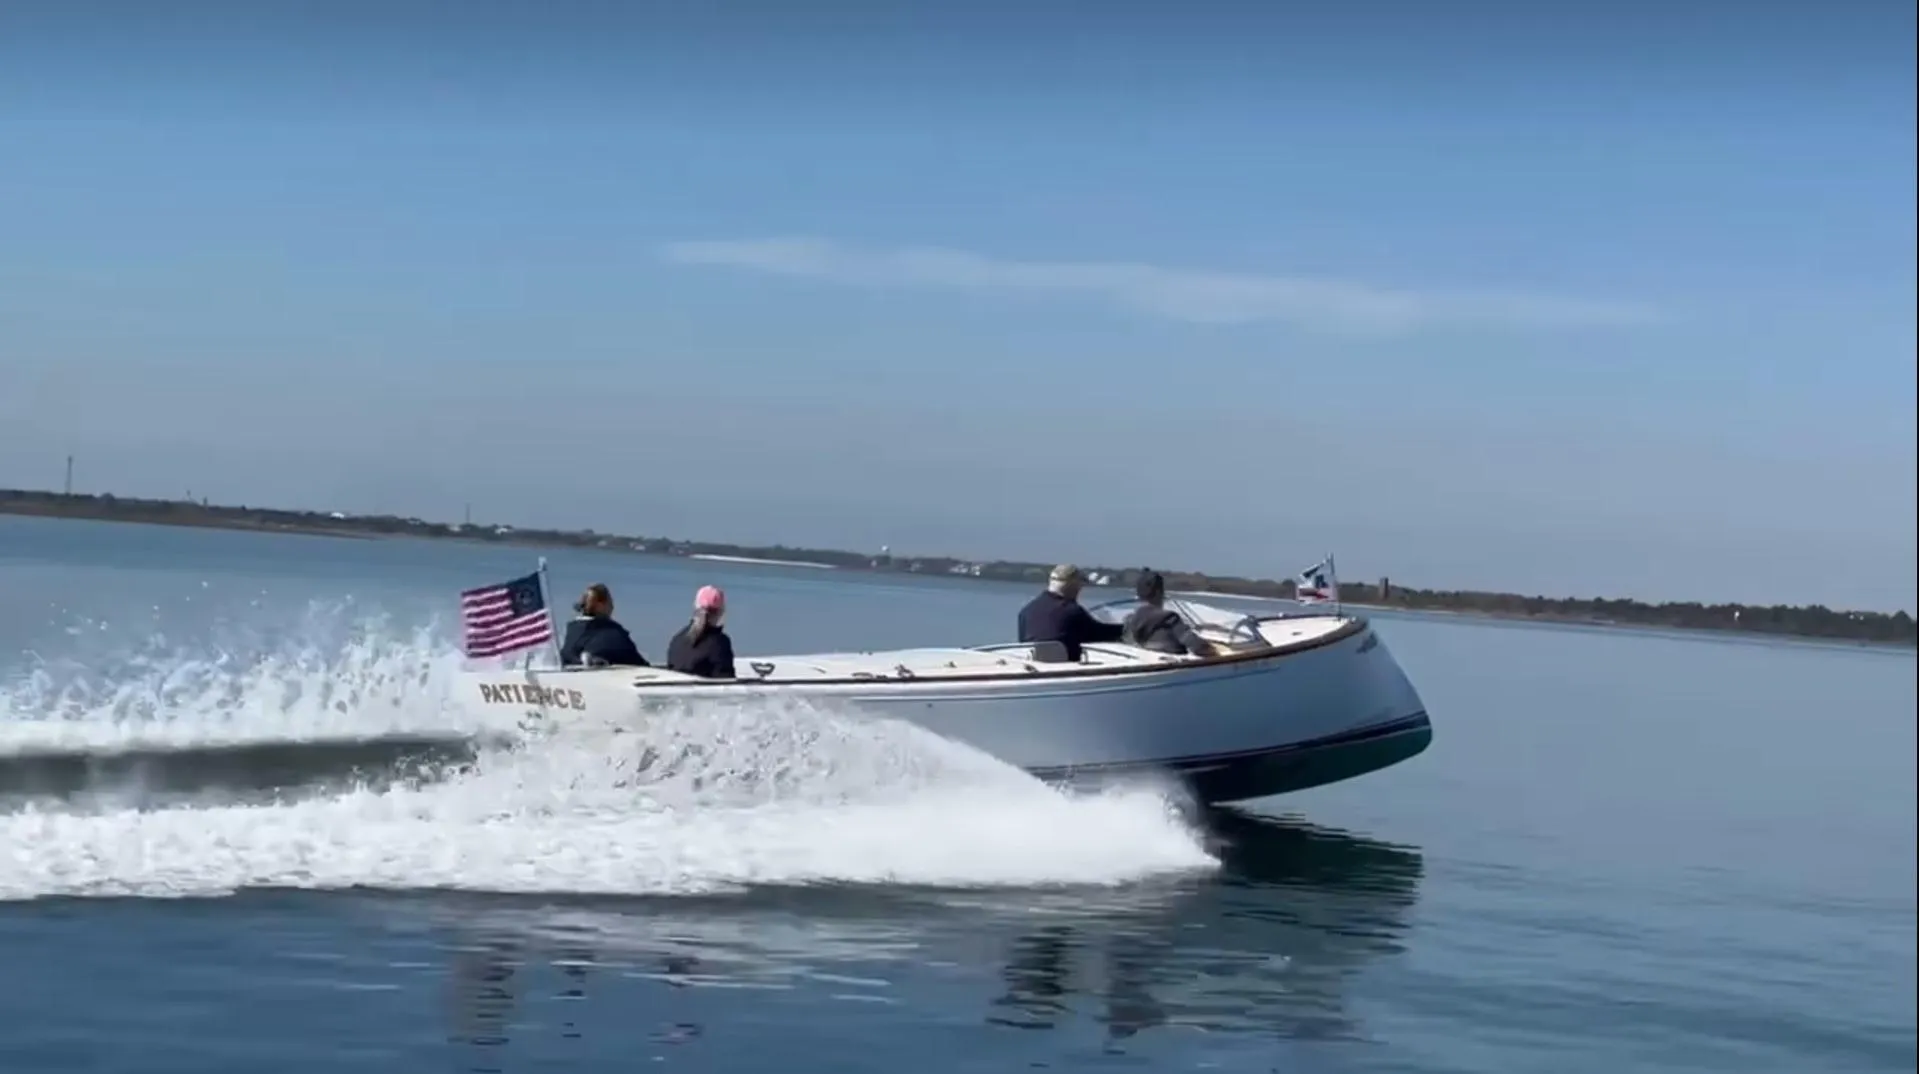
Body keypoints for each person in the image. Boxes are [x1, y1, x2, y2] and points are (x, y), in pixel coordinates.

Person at [1016, 563, 1124, 662]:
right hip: (1066, 668)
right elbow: (1099, 634)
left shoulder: (1026, 611)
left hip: (1033, 666)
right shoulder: (1072, 611)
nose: (1080, 589)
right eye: (1080, 585)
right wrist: (1127, 628)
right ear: (1073, 585)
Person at [1121, 569, 1221, 657]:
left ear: (1138, 593)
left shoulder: (1130, 620)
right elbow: (1197, 647)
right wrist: (1214, 650)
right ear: (1159, 592)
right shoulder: (1169, 618)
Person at [559, 582, 649, 667]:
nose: (612, 607)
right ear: (600, 605)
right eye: (610, 602)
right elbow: (635, 661)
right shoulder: (613, 633)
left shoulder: (572, 631)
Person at [666, 584, 737, 679]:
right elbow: (726, 681)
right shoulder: (720, 644)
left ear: (695, 606)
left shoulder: (678, 639)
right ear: (721, 612)